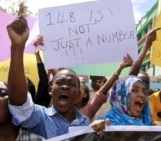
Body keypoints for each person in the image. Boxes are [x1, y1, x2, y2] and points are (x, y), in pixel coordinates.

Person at [6, 3, 107, 139]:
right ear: (50, 89)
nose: (65, 86)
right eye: (60, 82)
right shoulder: (40, 117)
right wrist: (17, 48)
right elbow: (19, 103)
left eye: (71, 84)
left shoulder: (85, 122)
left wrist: (94, 130)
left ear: (78, 93)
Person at [75, 53, 133, 121]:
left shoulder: (112, 94)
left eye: (100, 77)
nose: (98, 79)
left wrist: (120, 68)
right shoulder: (66, 110)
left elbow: (101, 94)